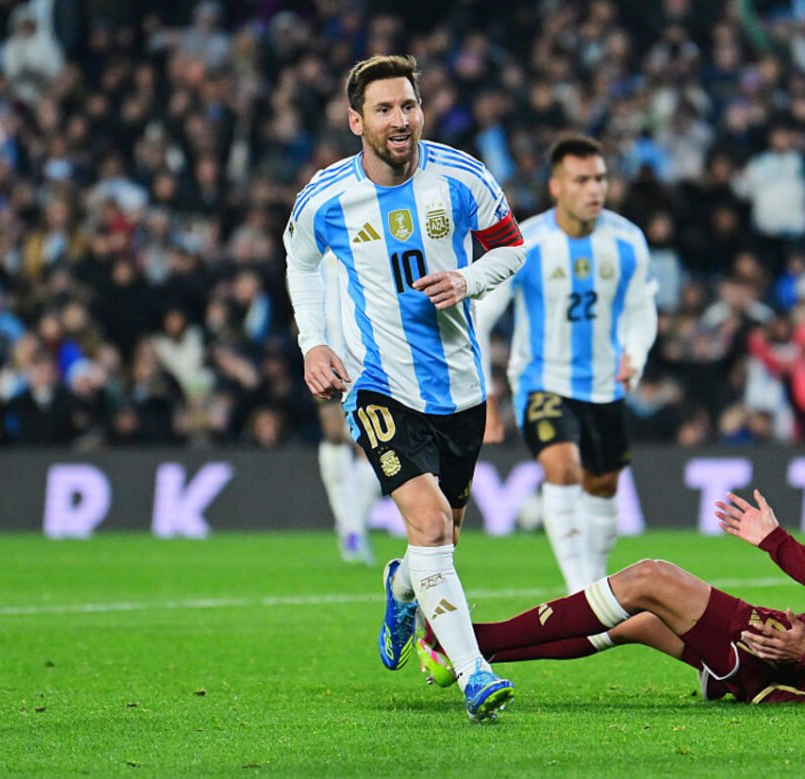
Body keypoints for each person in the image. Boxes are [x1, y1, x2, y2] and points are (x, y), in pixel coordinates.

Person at [418, 410, 805, 705]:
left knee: (651, 578)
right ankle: (471, 648)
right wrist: (776, 543)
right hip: (792, 647)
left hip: (802, 670)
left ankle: (464, 641)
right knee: (638, 620)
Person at [283, 54, 527, 722]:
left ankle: (400, 584)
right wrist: (315, 342)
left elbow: (511, 246)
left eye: (410, 106)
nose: (401, 120)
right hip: (378, 383)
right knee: (426, 521)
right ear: (355, 119)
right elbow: (300, 264)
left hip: (461, 387)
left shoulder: (463, 177)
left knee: (440, 537)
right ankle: (475, 672)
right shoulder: (326, 197)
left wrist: (468, 280)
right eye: (386, 109)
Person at [476, 135, 658, 593]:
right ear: (557, 187)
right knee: (562, 469)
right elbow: (481, 316)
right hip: (543, 380)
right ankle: (583, 593)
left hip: (604, 384)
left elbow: (641, 309)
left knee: (603, 484)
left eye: (599, 178)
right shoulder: (525, 244)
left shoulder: (627, 240)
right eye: (581, 180)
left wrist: (634, 355)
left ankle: (593, 581)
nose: (594, 189)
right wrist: (486, 393)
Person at [315, 255, 380, 566]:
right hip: (325, 353)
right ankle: (352, 531)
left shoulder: (360, 236)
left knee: (368, 444)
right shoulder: (312, 243)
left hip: (365, 355)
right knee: (334, 434)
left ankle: (352, 528)